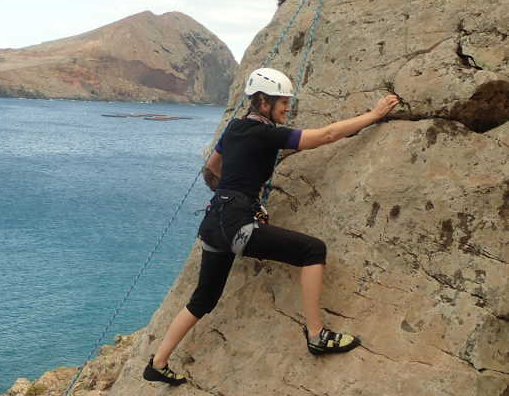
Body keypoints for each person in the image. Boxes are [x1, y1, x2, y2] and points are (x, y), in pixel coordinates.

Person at [143, 68, 400, 385]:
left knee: (203, 299)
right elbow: (327, 135)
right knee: (312, 250)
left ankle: (158, 362)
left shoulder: (234, 128)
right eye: (282, 103)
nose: (286, 108)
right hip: (236, 223)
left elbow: (211, 170)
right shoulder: (266, 134)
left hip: (213, 223)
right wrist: (374, 114)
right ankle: (317, 334)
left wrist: (234, 195)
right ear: (263, 102)